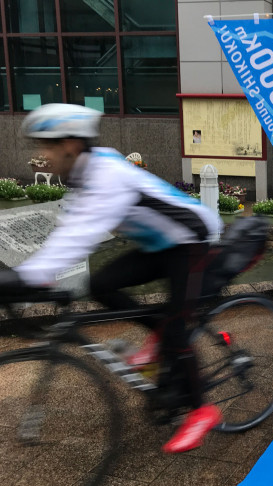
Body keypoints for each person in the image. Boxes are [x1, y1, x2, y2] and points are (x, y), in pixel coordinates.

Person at [0, 103, 224, 454]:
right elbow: (68, 231)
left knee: (178, 329)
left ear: (71, 144)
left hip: (190, 240)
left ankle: (202, 410)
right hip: (159, 243)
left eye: (46, 146)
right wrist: (29, 277)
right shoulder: (85, 173)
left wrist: (28, 278)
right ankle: (161, 334)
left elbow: (80, 235)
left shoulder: (106, 176)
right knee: (100, 284)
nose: (42, 155)